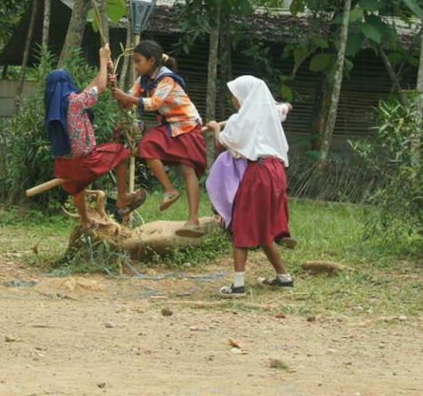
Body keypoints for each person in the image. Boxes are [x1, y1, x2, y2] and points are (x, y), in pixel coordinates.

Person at [204, 76, 293, 298]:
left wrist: (215, 128)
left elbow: (223, 144)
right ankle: (284, 278)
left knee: (242, 222)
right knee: (264, 227)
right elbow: (285, 108)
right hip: (278, 171)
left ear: (245, 97)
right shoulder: (271, 114)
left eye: (235, 95)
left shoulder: (239, 120)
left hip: (259, 171)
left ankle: (238, 285)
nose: (233, 100)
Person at [44, 45, 146, 232]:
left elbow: (89, 89)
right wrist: (103, 57)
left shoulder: (58, 106)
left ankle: (85, 221)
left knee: (78, 189)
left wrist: (105, 72)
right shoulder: (74, 102)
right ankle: (122, 197)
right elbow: (98, 88)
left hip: (64, 166)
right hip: (85, 162)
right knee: (121, 152)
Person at [111, 40, 207, 237]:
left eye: (138, 62)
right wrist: (115, 91)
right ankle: (170, 189)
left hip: (187, 124)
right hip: (170, 125)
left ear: (151, 60)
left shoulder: (167, 79)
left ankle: (193, 220)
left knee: (188, 169)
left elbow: (154, 104)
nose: (136, 66)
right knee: (147, 146)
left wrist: (125, 97)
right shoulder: (143, 80)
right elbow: (128, 104)